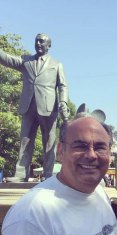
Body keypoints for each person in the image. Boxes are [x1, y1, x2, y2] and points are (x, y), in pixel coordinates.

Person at [0, 33, 68, 181]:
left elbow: (63, 86)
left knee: (49, 142)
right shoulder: (26, 61)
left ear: (48, 45)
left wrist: (63, 102)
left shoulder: (57, 64)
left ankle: (49, 175)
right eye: (37, 41)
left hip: (48, 108)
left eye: (42, 42)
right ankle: (20, 175)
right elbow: (6, 59)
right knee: (25, 141)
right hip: (28, 106)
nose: (38, 44)